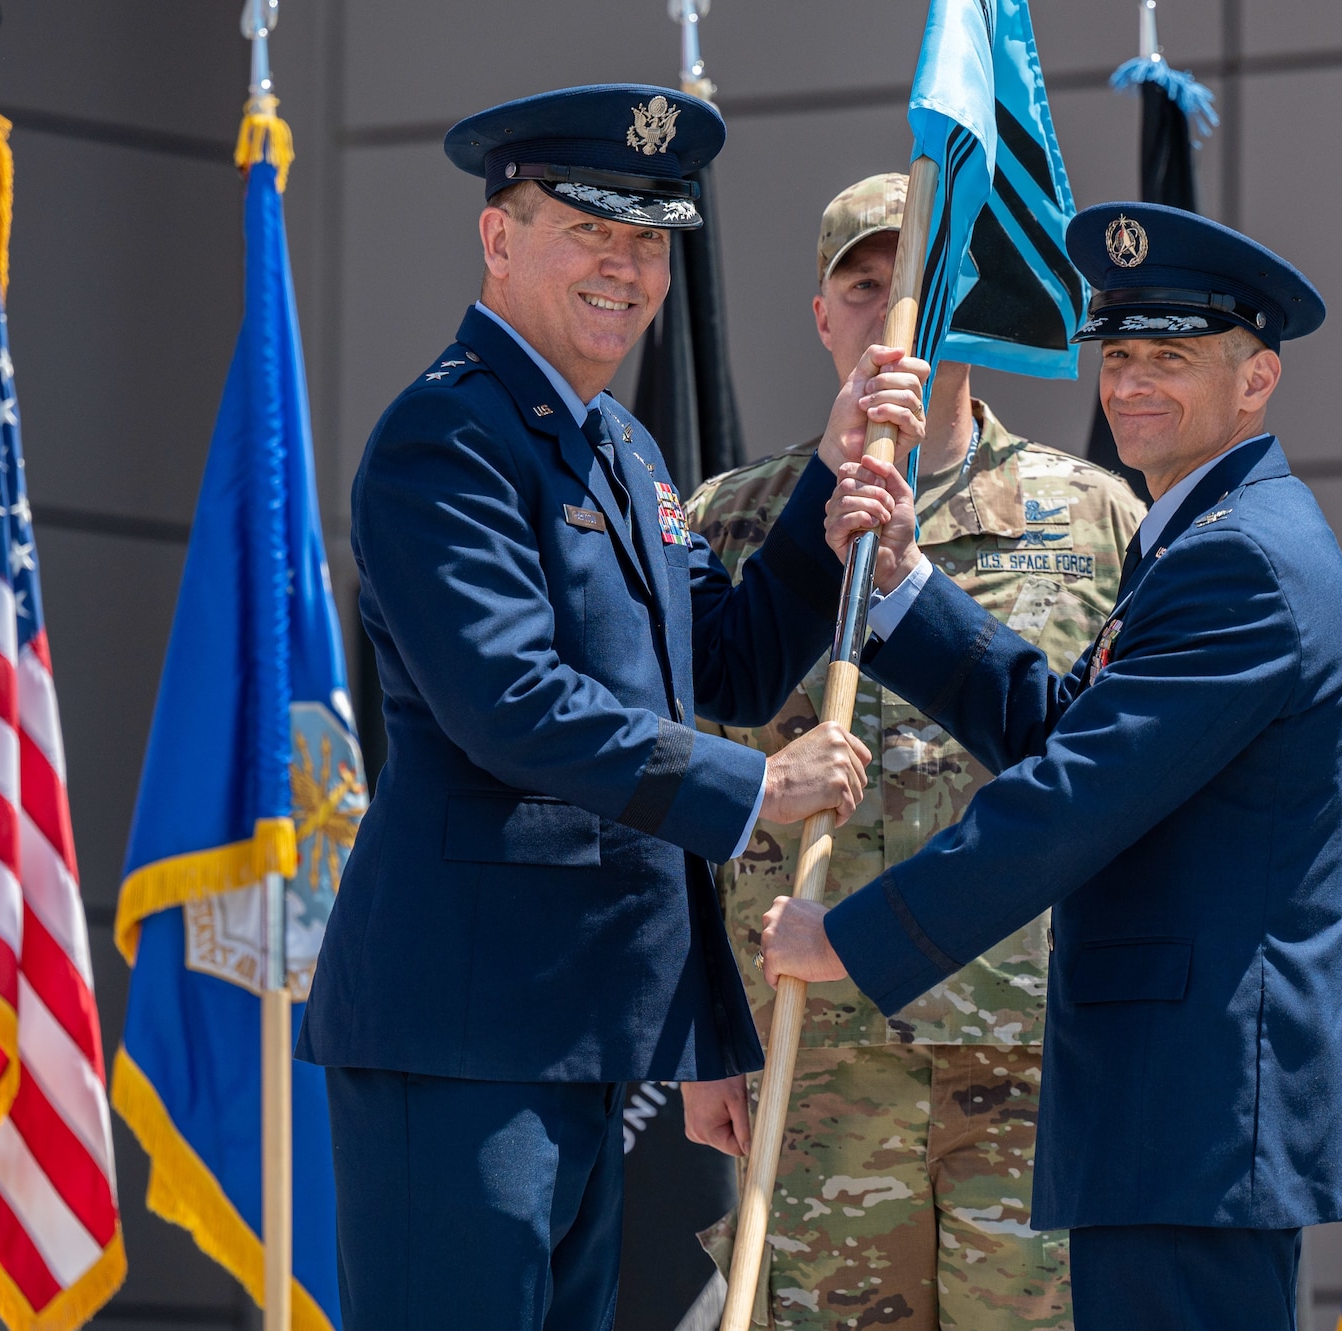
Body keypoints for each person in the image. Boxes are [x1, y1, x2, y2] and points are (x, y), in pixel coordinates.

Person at [295, 86, 930, 1331]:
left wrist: (830, 474)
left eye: (648, 240)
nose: (626, 268)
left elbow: (732, 662)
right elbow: (511, 703)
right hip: (465, 1033)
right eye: (589, 230)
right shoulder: (449, 438)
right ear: (497, 238)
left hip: (585, 1030)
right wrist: (754, 788)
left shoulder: (623, 450)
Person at [761, 201, 1342, 1330]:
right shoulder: (1200, 535)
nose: (1132, 383)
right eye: (1122, 353)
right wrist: (901, 584)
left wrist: (844, 939)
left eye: (1173, 357)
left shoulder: (1238, 558)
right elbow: (1068, 733)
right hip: (1176, 1112)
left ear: (1256, 382)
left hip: (1190, 1108)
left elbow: (1071, 796)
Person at [680, 173, 1145, 1331]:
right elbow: (667, 797)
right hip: (811, 1058)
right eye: (864, 286)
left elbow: (1128, 788)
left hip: (1030, 1051)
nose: (893, 318)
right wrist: (695, 1035)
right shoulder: (730, 522)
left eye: (921, 292)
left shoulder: (1095, 515)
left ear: (967, 314)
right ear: (823, 315)